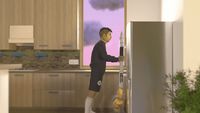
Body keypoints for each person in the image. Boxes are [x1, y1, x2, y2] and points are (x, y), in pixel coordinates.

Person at [84, 27, 123, 113]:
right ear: (104, 35)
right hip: (96, 73)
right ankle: (87, 111)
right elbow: (104, 57)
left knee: (94, 92)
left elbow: (102, 57)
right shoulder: (100, 45)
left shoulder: (101, 45)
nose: (110, 37)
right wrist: (117, 59)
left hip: (98, 72)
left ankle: (89, 110)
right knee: (92, 92)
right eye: (109, 34)